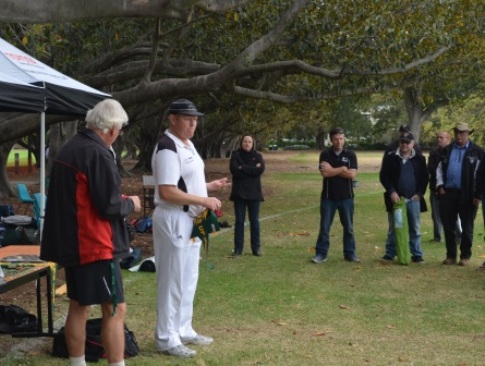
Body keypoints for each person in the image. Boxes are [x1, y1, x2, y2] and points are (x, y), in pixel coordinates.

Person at [40, 99, 142, 366]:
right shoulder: (97, 152)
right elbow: (109, 205)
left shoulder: (69, 148)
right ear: (111, 128)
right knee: (115, 309)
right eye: (119, 129)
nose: (118, 134)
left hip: (73, 243)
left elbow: (86, 196)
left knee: (79, 305)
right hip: (95, 245)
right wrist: (131, 203)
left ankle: (78, 362)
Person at [151, 98, 230, 358]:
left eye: (195, 119)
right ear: (172, 119)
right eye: (187, 118)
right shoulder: (167, 147)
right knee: (172, 279)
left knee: (188, 278)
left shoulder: (187, 144)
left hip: (191, 219)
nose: (193, 123)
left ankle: (183, 328)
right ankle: (166, 337)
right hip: (175, 217)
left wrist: (208, 187)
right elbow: (167, 190)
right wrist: (203, 199)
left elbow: (184, 183)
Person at [437, 122, 484, 266]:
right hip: (449, 193)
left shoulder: (477, 151)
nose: (459, 135)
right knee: (448, 225)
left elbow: (482, 176)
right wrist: (440, 186)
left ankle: (465, 256)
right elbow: (439, 169)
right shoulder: (447, 150)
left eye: (462, 133)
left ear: (468, 134)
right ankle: (451, 255)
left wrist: (478, 195)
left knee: (467, 226)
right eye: (457, 132)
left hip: (469, 195)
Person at [312, 127, 360, 264]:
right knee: (324, 227)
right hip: (328, 197)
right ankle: (321, 254)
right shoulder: (325, 155)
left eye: (341, 138)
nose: (339, 142)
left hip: (346, 197)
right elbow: (325, 173)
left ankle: (349, 253)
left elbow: (351, 175)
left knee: (349, 228)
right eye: (336, 139)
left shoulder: (350, 154)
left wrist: (333, 170)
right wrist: (342, 169)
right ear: (331, 140)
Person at [379, 132, 428, 264]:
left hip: (413, 200)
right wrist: (391, 191)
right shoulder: (390, 158)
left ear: (413, 144)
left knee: (415, 228)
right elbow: (384, 176)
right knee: (394, 227)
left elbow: (425, 178)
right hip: (397, 201)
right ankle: (390, 253)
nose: (404, 145)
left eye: (407, 142)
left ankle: (417, 254)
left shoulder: (420, 159)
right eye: (402, 142)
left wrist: (420, 193)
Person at [229, 134, 265, 256]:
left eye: (249, 142)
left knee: (254, 221)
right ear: (241, 143)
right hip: (239, 193)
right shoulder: (235, 155)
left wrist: (242, 167)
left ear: (253, 143)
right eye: (245, 141)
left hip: (254, 193)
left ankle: (256, 248)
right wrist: (252, 169)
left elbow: (260, 170)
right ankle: (238, 248)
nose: (247, 144)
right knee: (239, 221)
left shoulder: (258, 156)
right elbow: (234, 170)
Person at [427, 131, 462, 243]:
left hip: (449, 189)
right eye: (438, 137)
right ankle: (438, 236)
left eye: (441, 137)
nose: (439, 139)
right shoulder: (434, 153)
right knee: (436, 215)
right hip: (434, 188)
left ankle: (458, 236)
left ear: (448, 139)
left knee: (453, 214)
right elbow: (431, 168)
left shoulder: (453, 152)